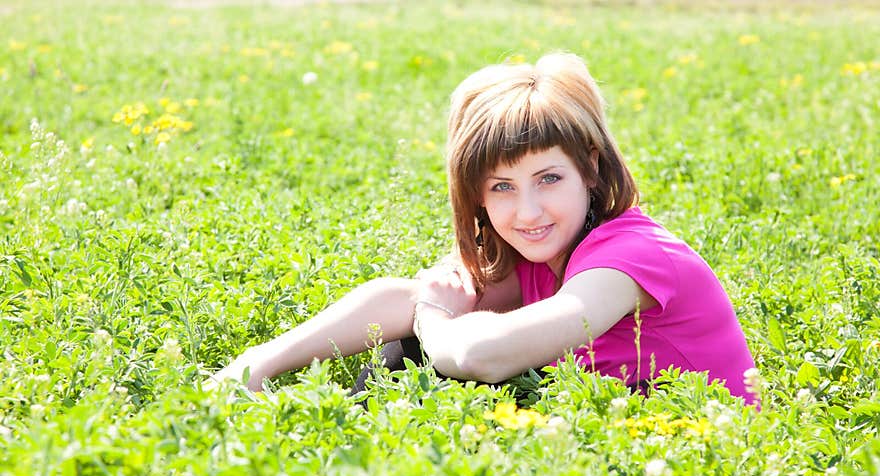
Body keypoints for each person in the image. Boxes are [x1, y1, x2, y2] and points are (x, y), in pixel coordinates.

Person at [207, 52, 758, 406]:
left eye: (548, 178)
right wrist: (253, 366)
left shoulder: (630, 259)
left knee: (443, 349)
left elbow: (477, 355)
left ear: (589, 167)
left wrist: (435, 318)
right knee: (410, 347)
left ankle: (348, 445)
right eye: (502, 188)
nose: (528, 212)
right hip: (620, 429)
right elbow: (405, 299)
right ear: (476, 196)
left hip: (702, 451)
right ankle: (322, 428)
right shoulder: (547, 254)